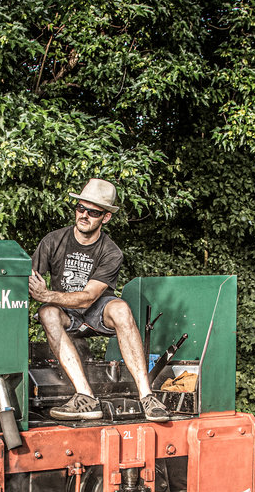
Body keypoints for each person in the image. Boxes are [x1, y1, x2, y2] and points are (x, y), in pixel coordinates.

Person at [29, 178, 170, 422]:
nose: (84, 215)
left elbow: (88, 298)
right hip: (65, 313)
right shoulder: (53, 241)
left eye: (93, 212)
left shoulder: (111, 251)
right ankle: (85, 397)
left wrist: (47, 295)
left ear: (106, 217)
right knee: (46, 312)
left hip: (96, 311)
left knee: (120, 308)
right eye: (80, 208)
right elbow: (28, 281)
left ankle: (147, 396)